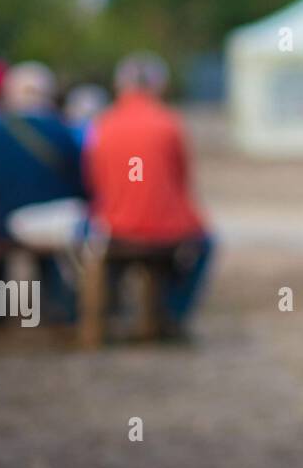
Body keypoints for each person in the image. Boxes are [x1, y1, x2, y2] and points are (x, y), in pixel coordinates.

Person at [85, 53, 212, 334]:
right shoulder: (169, 123)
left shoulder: (103, 124)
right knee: (206, 243)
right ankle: (173, 311)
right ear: (158, 85)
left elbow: (94, 180)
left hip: (115, 227)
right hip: (165, 230)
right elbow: (182, 179)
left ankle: (113, 310)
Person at [0, 62, 85, 323]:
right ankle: (59, 308)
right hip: (53, 224)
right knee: (52, 250)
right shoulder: (64, 132)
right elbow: (78, 184)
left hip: (4, 225)